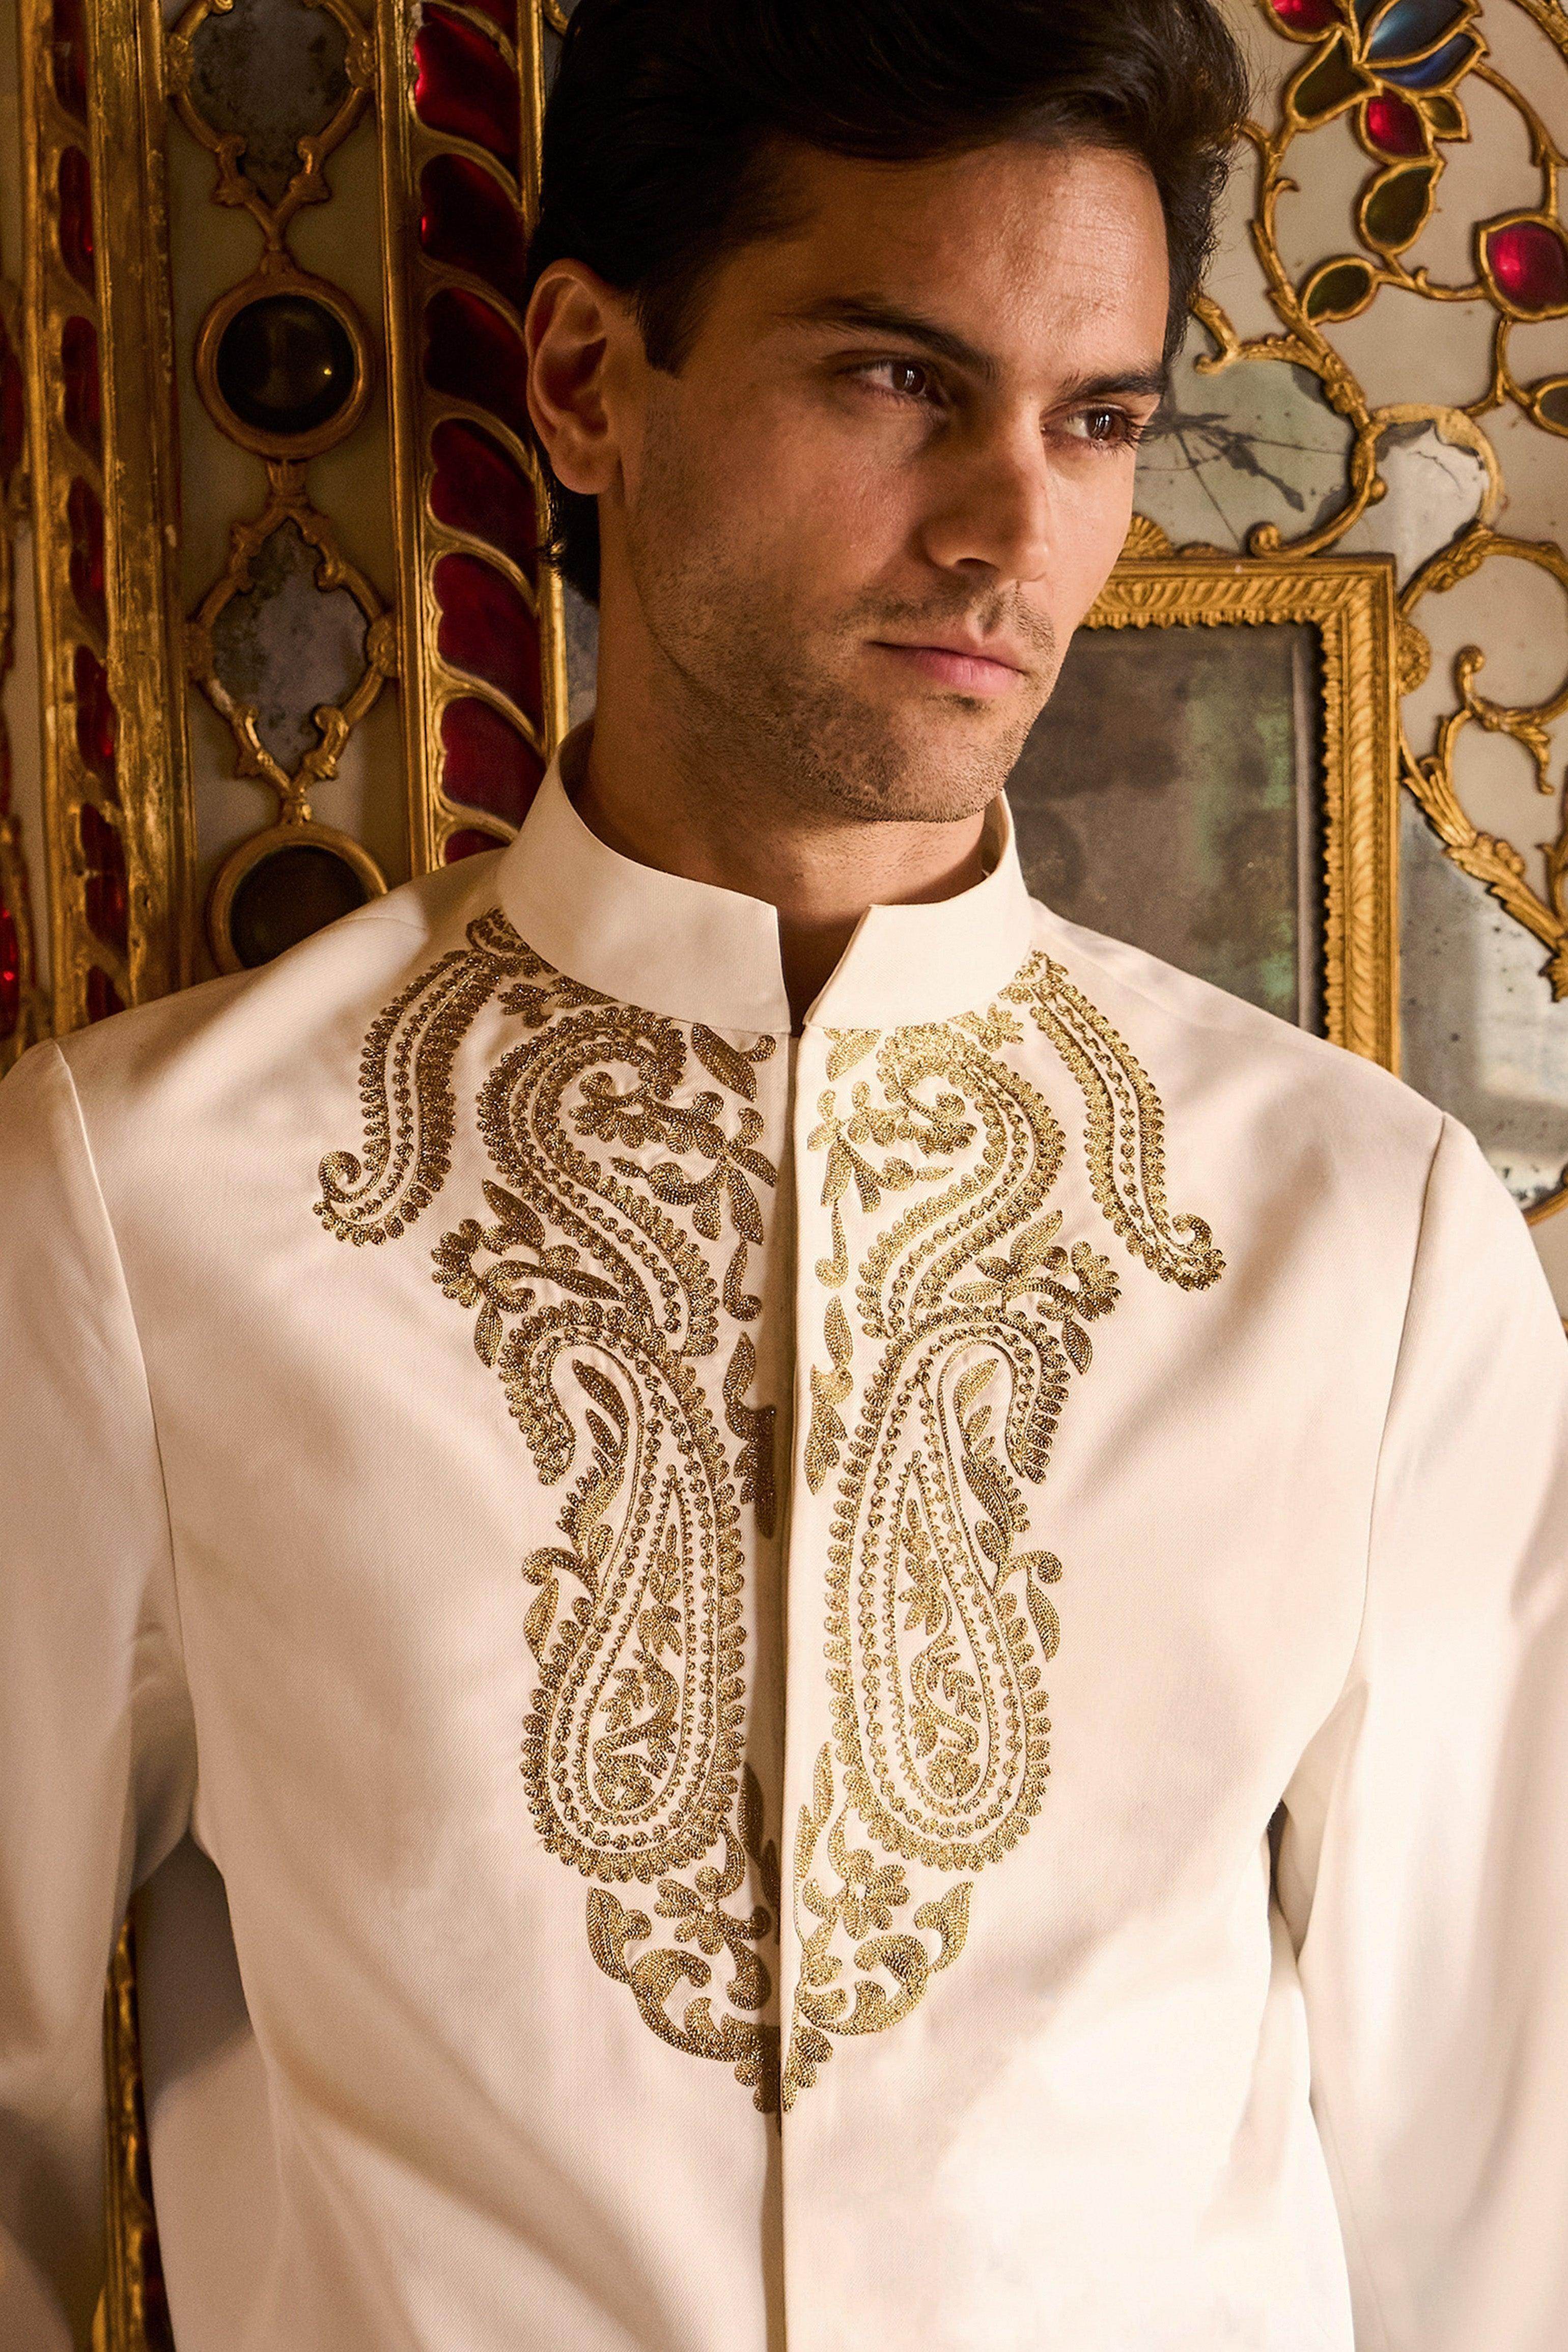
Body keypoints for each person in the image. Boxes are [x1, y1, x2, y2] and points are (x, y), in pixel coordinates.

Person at [3, 0, 1565, 2343]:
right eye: (893, 379)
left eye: (1095, 420)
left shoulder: (1363, 1239)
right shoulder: (141, 1207)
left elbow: (1490, 2212)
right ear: (584, 379)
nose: (1008, 531)